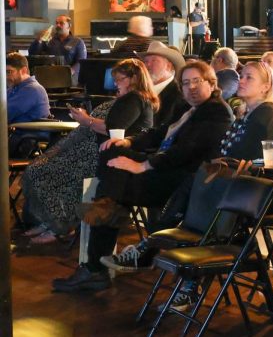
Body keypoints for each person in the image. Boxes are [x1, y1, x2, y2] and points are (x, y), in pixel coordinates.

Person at [53, 61, 233, 294]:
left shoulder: (216, 110)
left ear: (211, 83)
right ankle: (98, 261)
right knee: (112, 152)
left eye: (197, 81)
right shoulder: (187, 108)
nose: (191, 88)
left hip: (186, 183)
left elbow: (186, 151)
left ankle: (95, 269)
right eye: (186, 83)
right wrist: (129, 141)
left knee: (112, 193)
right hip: (167, 169)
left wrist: (144, 165)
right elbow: (157, 133)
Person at [19, 59, 157, 244]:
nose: (115, 83)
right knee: (40, 168)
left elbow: (115, 128)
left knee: (44, 171)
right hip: (98, 151)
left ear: (134, 78)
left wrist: (87, 120)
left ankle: (60, 225)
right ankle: (50, 221)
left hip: (105, 156)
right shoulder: (130, 97)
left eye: (119, 79)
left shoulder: (135, 98)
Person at [139, 41, 187, 127]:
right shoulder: (140, 91)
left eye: (154, 60)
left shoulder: (180, 95)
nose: (148, 65)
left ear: (169, 66)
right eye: (146, 61)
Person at [28, 15, 86, 81]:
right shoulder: (49, 40)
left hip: (69, 78)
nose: (58, 25)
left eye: (61, 23)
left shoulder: (77, 41)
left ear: (69, 26)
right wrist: (39, 40)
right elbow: (32, 53)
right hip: (50, 77)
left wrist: (70, 71)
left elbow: (81, 62)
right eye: (57, 23)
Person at [6, 53, 50, 125]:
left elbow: (4, 115)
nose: (6, 77)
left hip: (26, 135)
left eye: (9, 72)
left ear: (23, 71)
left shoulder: (32, 90)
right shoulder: (14, 87)